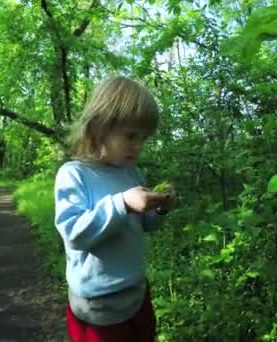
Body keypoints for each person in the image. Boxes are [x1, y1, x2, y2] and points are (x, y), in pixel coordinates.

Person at [54, 75, 176, 342]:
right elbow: (74, 234)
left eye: (144, 138)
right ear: (100, 127)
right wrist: (121, 203)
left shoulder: (131, 174)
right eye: (131, 135)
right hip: (98, 307)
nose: (139, 146)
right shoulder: (74, 174)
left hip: (136, 292)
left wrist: (160, 209)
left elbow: (144, 225)